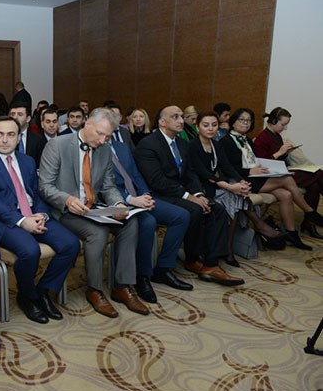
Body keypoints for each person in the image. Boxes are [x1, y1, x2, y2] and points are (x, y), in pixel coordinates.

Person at [39, 107, 148, 318]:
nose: (102, 140)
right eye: (99, 134)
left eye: (107, 136)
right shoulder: (57, 145)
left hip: (93, 207)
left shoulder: (104, 150)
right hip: (66, 211)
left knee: (131, 223)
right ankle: (94, 289)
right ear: (87, 123)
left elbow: (108, 186)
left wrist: (118, 204)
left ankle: (122, 286)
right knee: (97, 233)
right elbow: (45, 186)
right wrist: (67, 199)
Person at [0, 116, 79, 324]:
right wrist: (22, 221)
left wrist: (42, 214)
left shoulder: (27, 161)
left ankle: (43, 291)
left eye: (10, 135)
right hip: (4, 221)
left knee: (70, 244)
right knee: (30, 250)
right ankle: (27, 296)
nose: (5, 140)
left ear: (18, 138)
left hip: (33, 214)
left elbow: (36, 193)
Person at [134, 105, 245, 286]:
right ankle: (188, 260)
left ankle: (210, 263)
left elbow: (189, 173)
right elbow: (157, 181)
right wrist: (188, 196)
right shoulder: (148, 144)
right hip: (157, 195)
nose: (181, 120)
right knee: (194, 209)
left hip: (178, 192)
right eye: (175, 117)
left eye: (181, 116)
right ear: (162, 122)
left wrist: (198, 193)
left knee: (217, 209)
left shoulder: (181, 143)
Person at [106, 113, 193, 303]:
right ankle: (142, 276)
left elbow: (136, 174)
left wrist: (145, 194)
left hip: (140, 197)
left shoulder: (122, 147)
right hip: (118, 202)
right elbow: (104, 186)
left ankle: (163, 268)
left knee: (182, 216)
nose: (112, 128)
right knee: (148, 222)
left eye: (114, 125)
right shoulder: (95, 150)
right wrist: (130, 199)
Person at [190, 112, 286, 265]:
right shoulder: (192, 146)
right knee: (236, 197)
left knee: (237, 196)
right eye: (206, 125)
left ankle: (228, 247)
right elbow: (203, 173)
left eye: (214, 125)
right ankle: (231, 245)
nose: (210, 129)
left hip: (215, 184)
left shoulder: (216, 144)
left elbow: (226, 166)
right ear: (197, 127)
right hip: (199, 187)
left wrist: (241, 181)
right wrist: (230, 186)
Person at [220, 108, 320, 249]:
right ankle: (309, 212)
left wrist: (260, 168)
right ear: (233, 122)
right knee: (287, 179)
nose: (246, 123)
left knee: (286, 194)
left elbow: (256, 161)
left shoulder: (247, 140)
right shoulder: (225, 141)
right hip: (241, 180)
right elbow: (227, 167)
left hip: (255, 176)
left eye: (249, 121)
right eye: (242, 120)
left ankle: (292, 234)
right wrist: (250, 170)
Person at [253, 106, 323, 239]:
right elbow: (262, 164)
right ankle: (310, 216)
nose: (285, 128)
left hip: (281, 170)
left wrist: (285, 153)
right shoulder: (262, 138)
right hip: (271, 175)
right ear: (273, 121)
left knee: (314, 185)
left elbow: (279, 158)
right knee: (319, 173)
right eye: (283, 124)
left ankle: (309, 223)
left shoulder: (276, 136)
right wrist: (280, 152)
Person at [9, 102, 47, 168]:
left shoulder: (38, 140)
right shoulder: (4, 138)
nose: (15, 117)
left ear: (28, 119)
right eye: (13, 114)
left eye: (20, 114)